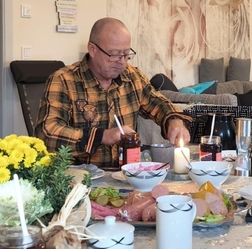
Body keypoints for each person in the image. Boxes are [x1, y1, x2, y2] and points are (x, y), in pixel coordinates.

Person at [36, 17, 191, 167]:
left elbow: (157, 102)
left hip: (128, 175)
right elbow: (47, 134)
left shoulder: (132, 76)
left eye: (126, 54)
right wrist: (102, 136)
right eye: (114, 54)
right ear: (92, 49)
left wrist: (174, 121)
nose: (122, 61)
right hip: (80, 178)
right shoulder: (63, 80)